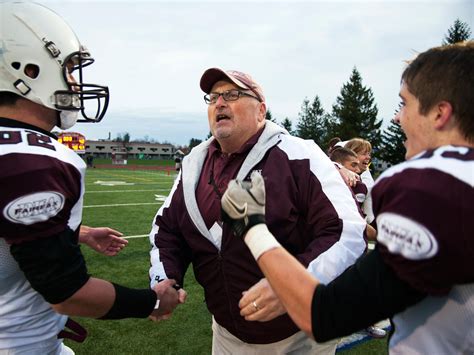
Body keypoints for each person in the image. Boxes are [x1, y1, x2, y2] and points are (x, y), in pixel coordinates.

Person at [221, 41, 474, 354]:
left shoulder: (434, 188)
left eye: (404, 104)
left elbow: (323, 314)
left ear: (440, 113)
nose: (398, 119)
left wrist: (252, 228)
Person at [0, 2, 181, 353]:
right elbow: (66, 293)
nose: (73, 81)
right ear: (28, 68)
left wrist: (75, 232)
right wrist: (153, 301)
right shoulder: (32, 158)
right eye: (67, 68)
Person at [148, 67, 367, 354]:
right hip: (226, 334)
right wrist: (165, 277)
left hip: (300, 335)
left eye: (232, 94)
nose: (220, 103)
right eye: (213, 97)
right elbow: (167, 229)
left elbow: (346, 232)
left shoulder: (300, 155)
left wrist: (292, 284)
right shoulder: (193, 165)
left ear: (261, 110)